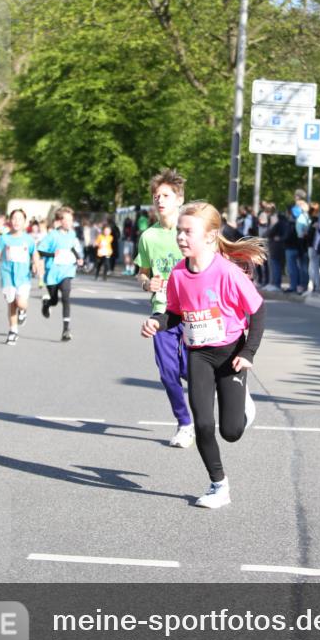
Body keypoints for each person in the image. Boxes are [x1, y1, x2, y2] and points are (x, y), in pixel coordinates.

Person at [141, 202, 266, 509]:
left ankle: (244, 406)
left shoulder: (227, 272)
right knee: (203, 424)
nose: (181, 238)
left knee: (231, 431)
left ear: (210, 237)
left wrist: (249, 351)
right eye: (179, 232)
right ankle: (218, 485)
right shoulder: (179, 273)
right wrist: (157, 322)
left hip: (231, 354)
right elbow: (174, 313)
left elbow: (258, 310)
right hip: (198, 354)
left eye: (188, 232)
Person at [135, 169, 194, 448]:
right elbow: (141, 273)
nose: (160, 200)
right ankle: (184, 423)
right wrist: (148, 284)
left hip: (194, 310)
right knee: (168, 371)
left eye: (166, 195)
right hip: (162, 310)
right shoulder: (148, 236)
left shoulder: (191, 231)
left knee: (191, 370)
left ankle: (231, 391)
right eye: (156, 196)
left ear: (179, 199)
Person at [36, 206, 83, 342]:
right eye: (66, 219)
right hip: (52, 273)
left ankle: (66, 330)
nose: (69, 222)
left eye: (71, 220)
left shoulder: (72, 235)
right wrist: (52, 254)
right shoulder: (52, 235)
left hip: (67, 271)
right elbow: (40, 251)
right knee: (55, 300)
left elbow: (72, 247)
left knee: (66, 297)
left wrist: (79, 257)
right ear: (60, 221)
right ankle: (47, 303)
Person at [0, 208, 37, 345]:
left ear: (25, 222)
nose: (16, 221)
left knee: (21, 303)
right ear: (10, 221)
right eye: (14, 218)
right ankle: (13, 331)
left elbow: (34, 253)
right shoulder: (4, 238)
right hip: (7, 275)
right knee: (11, 302)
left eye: (20, 219)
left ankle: (23, 311)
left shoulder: (28, 239)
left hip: (23, 276)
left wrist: (36, 263)